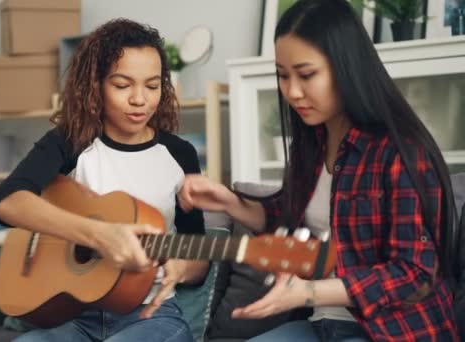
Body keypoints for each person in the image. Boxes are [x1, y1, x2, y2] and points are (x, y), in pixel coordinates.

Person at [178, 0, 460, 341]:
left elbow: (415, 274)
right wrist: (231, 204)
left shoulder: (401, 152)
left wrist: (309, 293)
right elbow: (286, 219)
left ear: (346, 68)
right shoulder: (310, 147)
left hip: (392, 331)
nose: (293, 92)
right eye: (283, 76)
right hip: (321, 324)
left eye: (307, 74)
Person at [0, 18, 208, 342]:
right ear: (96, 85)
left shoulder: (180, 154)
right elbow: (8, 200)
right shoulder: (70, 141)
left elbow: (199, 255)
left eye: (152, 86)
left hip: (152, 315)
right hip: (75, 315)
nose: (140, 99)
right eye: (122, 85)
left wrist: (183, 267)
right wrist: (98, 235)